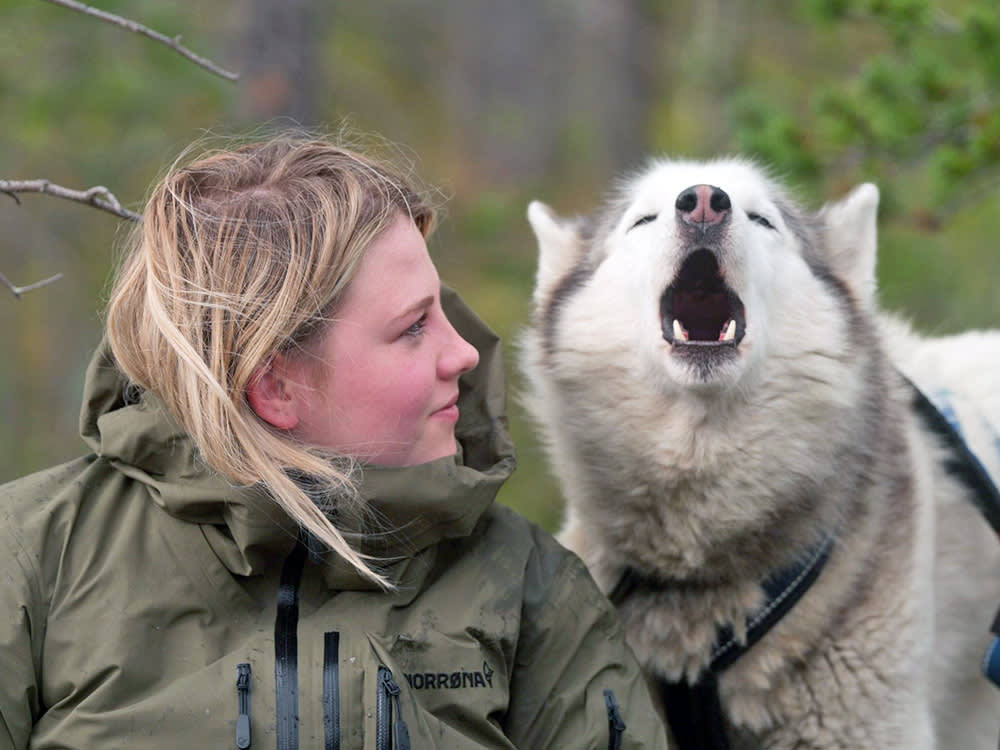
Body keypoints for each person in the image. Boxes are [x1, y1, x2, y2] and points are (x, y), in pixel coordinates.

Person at [0, 133, 668, 749]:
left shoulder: (532, 589)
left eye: (445, 309)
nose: (464, 352)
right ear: (277, 387)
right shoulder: (32, 562)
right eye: (413, 328)